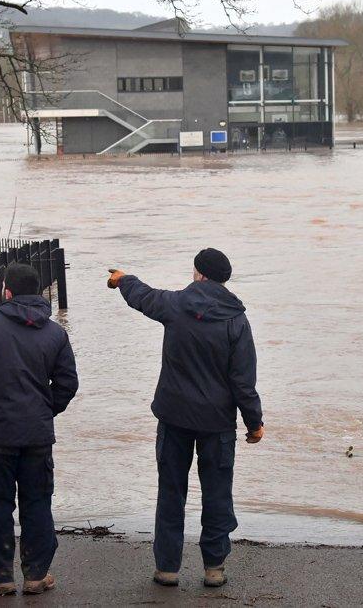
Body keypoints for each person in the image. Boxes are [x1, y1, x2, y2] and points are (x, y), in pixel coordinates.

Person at [107, 248, 264, 589]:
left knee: (171, 492)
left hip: (174, 417)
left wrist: (123, 280)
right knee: (218, 494)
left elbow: (143, 297)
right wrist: (254, 422)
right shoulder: (236, 319)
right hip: (218, 423)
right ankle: (214, 568)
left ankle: (167, 569)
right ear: (223, 278)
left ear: (199, 274)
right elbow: (243, 380)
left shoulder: (176, 305)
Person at [0, 262, 79, 596]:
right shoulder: (55, 333)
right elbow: (68, 383)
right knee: (38, 502)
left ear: (6, 292)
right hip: (37, 435)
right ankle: (36, 575)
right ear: (37, 293)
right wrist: (45, 409)